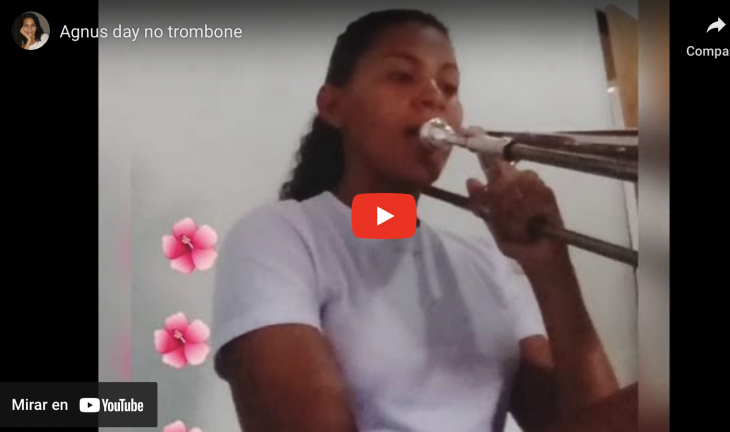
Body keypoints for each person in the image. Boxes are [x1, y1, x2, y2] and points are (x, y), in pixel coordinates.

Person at [211, 9, 636, 432]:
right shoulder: (279, 237)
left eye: (449, 86)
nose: (435, 97)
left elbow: (583, 422)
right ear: (334, 106)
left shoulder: (486, 263)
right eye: (402, 76)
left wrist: (549, 266)